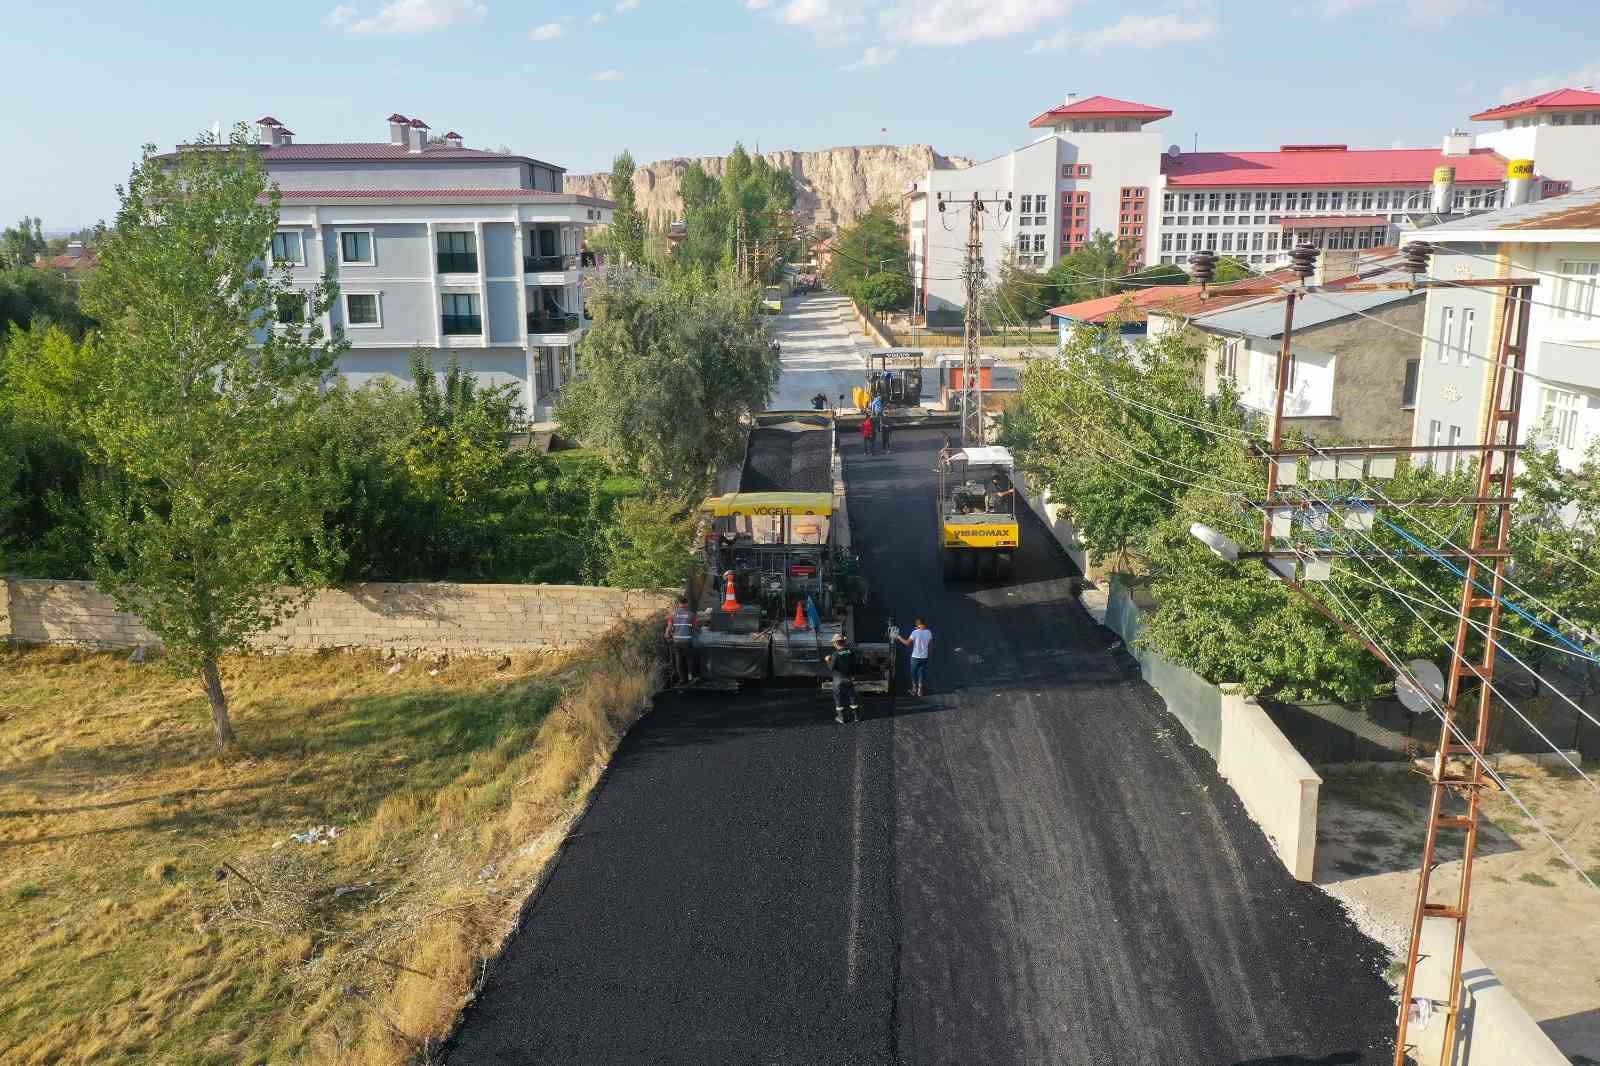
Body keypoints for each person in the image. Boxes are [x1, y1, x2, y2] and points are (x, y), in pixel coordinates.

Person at [824, 633, 861, 723]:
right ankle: (856, 717)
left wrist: (827, 660)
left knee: (838, 698)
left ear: (836, 643)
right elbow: (855, 664)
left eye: (833, 643)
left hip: (838, 680)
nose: (833, 644)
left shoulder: (835, 654)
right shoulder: (850, 651)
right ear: (843, 642)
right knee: (852, 697)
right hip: (849, 678)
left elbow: (831, 668)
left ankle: (841, 717)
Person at [896, 618, 933, 697]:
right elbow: (930, 646)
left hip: (915, 657)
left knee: (913, 673)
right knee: (921, 673)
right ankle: (920, 691)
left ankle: (914, 689)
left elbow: (907, 643)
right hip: (924, 657)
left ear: (917, 625)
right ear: (924, 624)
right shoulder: (929, 632)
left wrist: (899, 637)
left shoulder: (914, 632)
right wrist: (928, 655)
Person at [665, 595, 697, 685]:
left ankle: (682, 679)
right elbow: (695, 628)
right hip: (687, 641)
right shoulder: (691, 614)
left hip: (677, 642)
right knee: (689, 659)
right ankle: (690, 678)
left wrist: (668, 635)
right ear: (686, 604)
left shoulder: (673, 615)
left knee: (679, 660)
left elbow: (669, 628)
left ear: (679, 604)